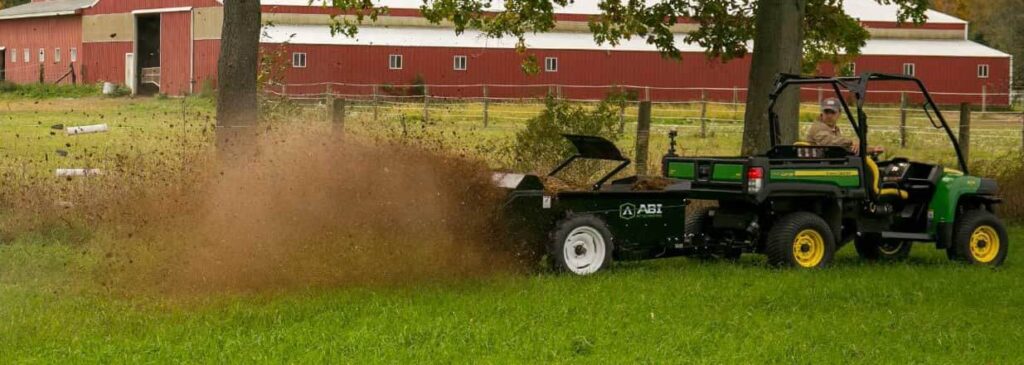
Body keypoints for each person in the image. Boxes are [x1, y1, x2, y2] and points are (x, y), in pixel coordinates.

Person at [805, 97, 884, 155]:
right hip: (819, 165)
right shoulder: (818, 127)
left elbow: (844, 149)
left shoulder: (834, 129)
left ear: (839, 113)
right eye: (826, 112)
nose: (829, 115)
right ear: (822, 113)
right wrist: (851, 141)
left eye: (832, 112)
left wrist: (873, 150)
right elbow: (830, 143)